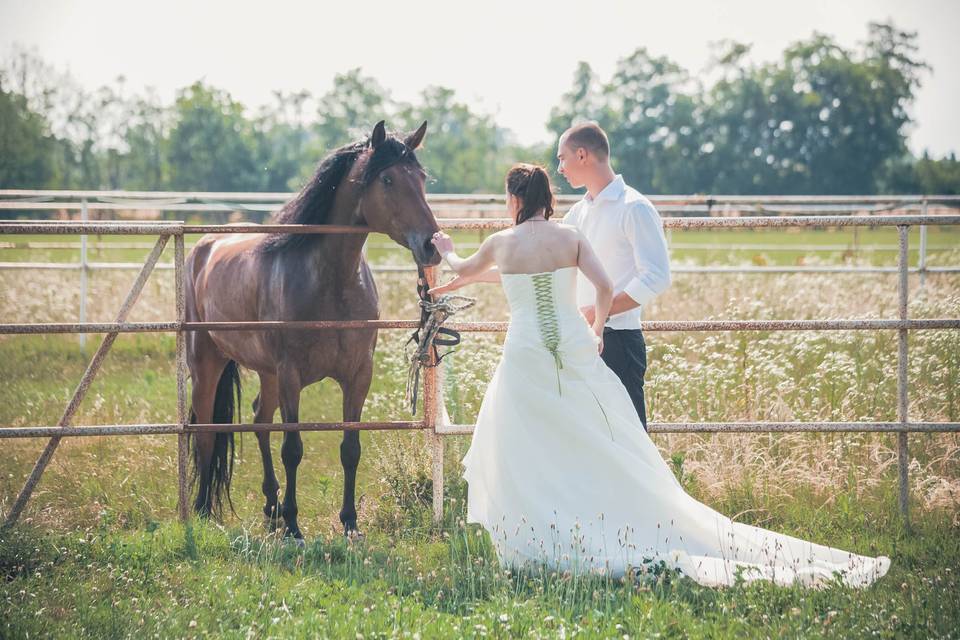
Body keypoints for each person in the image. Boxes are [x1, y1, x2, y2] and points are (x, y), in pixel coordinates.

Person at [427, 163, 890, 588]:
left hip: (526, 353)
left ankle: (537, 533)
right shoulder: (568, 237)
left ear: (514, 199)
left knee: (524, 442)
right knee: (593, 436)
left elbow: (473, 267)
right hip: (572, 345)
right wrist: (597, 329)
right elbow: (605, 286)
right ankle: (605, 514)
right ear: (547, 196)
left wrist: (448, 252)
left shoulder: (500, 245)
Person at [558, 122, 670, 430]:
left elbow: (656, 276)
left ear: (582, 155)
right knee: (586, 437)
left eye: (562, 158)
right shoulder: (576, 214)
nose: (560, 168)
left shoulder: (634, 208)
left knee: (629, 436)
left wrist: (600, 313)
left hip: (618, 339)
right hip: (581, 339)